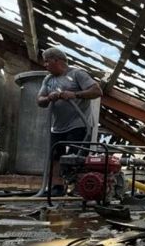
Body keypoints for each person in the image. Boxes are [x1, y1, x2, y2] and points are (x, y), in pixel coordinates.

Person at [37, 48, 102, 195]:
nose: (45, 65)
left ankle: (76, 188)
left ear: (57, 60)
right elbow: (39, 100)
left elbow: (97, 91)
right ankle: (57, 187)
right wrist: (48, 98)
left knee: (76, 157)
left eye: (47, 61)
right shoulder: (48, 79)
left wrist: (75, 94)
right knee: (55, 157)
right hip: (58, 126)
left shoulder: (77, 74)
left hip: (79, 124)